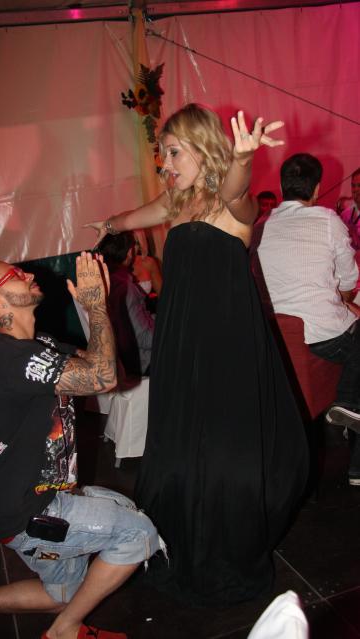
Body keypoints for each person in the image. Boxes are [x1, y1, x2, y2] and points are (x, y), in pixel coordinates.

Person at [85, 103, 308, 607]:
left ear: (203, 148)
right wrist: (110, 223)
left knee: (224, 443)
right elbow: (136, 215)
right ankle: (178, 538)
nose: (165, 163)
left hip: (226, 341)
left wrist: (243, 158)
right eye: (163, 154)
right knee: (181, 440)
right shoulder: (176, 201)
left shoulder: (230, 203)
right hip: (181, 340)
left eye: (173, 152)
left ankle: (226, 543)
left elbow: (237, 190)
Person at [0, 253, 162, 639]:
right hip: (28, 507)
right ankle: (64, 632)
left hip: (23, 498)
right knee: (138, 534)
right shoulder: (12, 357)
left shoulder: (38, 344)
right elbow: (104, 378)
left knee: (64, 594)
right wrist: (97, 307)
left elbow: (109, 371)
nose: (26, 274)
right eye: (13, 274)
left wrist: (97, 310)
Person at [257, 153, 360, 486]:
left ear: (282, 187)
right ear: (316, 188)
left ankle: (349, 407)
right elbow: (348, 280)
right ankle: (348, 405)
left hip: (278, 339)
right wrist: (344, 300)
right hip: (322, 339)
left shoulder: (262, 226)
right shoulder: (328, 220)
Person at [97, 231, 155, 377]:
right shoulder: (124, 286)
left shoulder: (103, 279)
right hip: (144, 362)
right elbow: (143, 338)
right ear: (129, 252)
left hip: (125, 360)